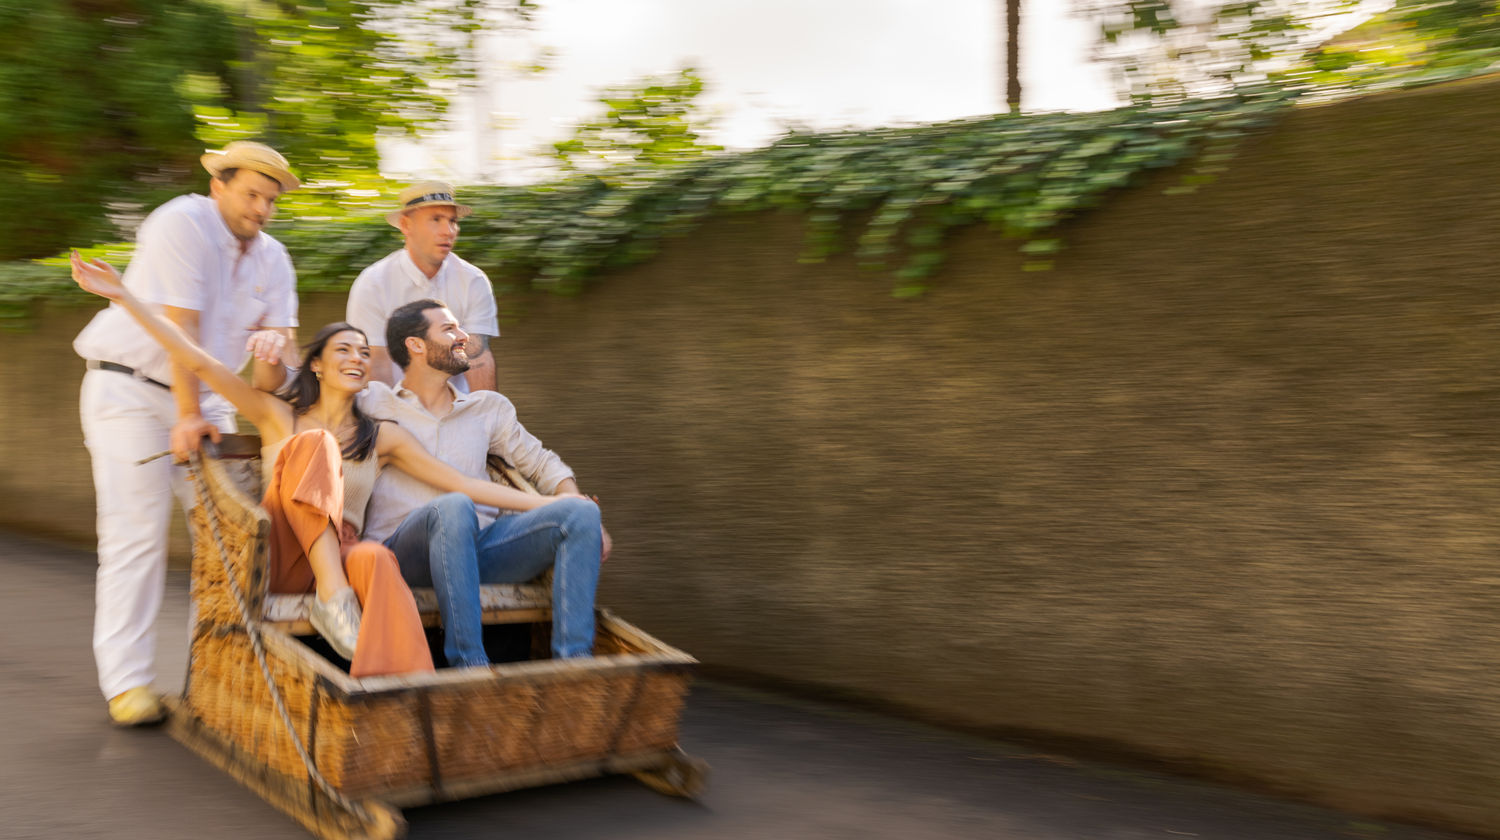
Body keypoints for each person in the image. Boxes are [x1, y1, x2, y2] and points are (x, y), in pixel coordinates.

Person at [70, 257, 591, 680]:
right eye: (344, 349)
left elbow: (461, 484)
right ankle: (333, 596)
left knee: (375, 559)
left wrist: (555, 504)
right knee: (315, 444)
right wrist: (125, 296)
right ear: (315, 363)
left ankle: (404, 691)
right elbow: (198, 359)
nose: (358, 358)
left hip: (343, 552)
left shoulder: (382, 434)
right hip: (283, 550)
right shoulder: (278, 416)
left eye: (365, 353)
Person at [72, 141, 302, 726]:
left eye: (271, 200)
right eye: (251, 194)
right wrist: (185, 415)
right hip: (130, 392)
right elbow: (183, 329)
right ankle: (128, 685)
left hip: (207, 403)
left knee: (234, 542)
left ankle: (226, 676)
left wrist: (274, 351)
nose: (261, 209)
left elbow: (277, 368)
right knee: (137, 533)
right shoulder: (182, 221)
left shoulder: (274, 258)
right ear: (218, 186)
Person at [360, 299, 609, 668]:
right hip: (404, 555)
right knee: (453, 505)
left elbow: (544, 464)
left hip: (479, 551)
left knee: (580, 514)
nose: (464, 337)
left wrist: (573, 502)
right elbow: (297, 399)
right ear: (415, 345)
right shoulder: (373, 402)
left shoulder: (488, 408)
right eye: (449, 330)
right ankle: (470, 663)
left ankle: (575, 665)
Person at [345, 182, 499, 392]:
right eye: (436, 220)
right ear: (406, 225)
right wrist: (391, 421)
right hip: (395, 407)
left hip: (457, 409)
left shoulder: (473, 280)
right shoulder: (373, 284)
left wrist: (486, 418)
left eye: (452, 221)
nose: (448, 231)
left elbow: (477, 356)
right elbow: (376, 364)